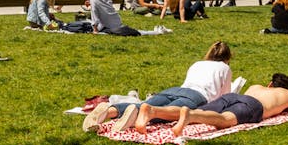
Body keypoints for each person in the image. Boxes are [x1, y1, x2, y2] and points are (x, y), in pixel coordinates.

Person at [84, 41, 235, 131]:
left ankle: (109, 111)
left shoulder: (198, 63)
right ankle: (149, 113)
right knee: (167, 113)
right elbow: (225, 95)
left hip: (176, 90)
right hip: (197, 96)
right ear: (227, 57)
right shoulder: (225, 68)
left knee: (142, 105)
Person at [150, 73, 288, 136]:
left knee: (198, 110)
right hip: (254, 106)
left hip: (233, 96)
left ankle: (153, 110)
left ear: (270, 84)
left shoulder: (256, 86)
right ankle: (191, 116)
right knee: (224, 119)